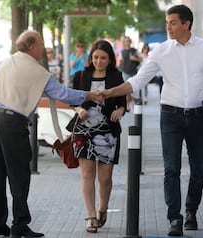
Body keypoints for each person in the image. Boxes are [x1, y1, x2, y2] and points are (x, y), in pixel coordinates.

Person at [101, 5, 203, 236]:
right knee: (172, 169)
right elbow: (138, 81)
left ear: (186, 23)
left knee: (199, 168)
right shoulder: (161, 51)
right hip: (170, 115)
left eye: (172, 22)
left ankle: (191, 210)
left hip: (199, 115)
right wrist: (111, 92)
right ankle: (174, 218)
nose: (168, 27)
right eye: (167, 22)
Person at [0, 30, 103, 238]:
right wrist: (90, 95)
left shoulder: (4, 63)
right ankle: (20, 225)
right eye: (41, 44)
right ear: (32, 47)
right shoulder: (37, 72)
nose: (43, 48)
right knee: (20, 175)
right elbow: (64, 94)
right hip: (13, 123)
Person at [70, 40, 126, 233]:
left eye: (103, 58)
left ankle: (103, 209)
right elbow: (72, 99)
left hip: (107, 131)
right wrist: (78, 109)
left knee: (105, 177)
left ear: (109, 59)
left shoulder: (116, 77)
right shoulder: (80, 75)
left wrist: (120, 111)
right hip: (83, 130)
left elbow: (122, 103)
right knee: (87, 174)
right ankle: (91, 216)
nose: (99, 61)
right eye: (95, 57)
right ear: (90, 57)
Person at [119, 36, 142, 110]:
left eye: (128, 41)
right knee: (126, 90)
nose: (127, 42)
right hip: (125, 72)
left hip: (133, 72)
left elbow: (141, 59)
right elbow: (120, 61)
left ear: (130, 42)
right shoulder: (122, 52)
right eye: (126, 41)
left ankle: (134, 103)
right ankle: (128, 103)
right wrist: (120, 62)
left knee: (134, 88)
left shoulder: (134, 50)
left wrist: (134, 59)